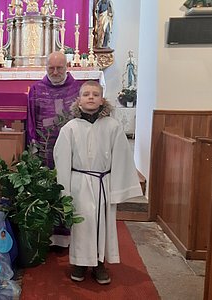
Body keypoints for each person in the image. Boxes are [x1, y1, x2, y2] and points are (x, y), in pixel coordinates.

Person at [53, 81, 142, 284]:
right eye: (86, 94)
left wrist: (118, 189)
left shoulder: (112, 126)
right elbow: (62, 159)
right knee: (82, 223)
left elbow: (121, 157)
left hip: (103, 182)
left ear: (102, 99)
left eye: (95, 94)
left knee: (104, 224)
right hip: (79, 182)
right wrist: (64, 192)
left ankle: (100, 263)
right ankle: (80, 263)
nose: (91, 97)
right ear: (79, 100)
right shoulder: (70, 128)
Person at [27, 51, 83, 169]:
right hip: (45, 146)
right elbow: (31, 120)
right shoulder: (36, 89)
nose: (55, 72)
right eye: (51, 68)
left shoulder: (78, 89)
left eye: (59, 68)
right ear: (46, 67)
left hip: (73, 144)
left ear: (66, 66)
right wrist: (33, 144)